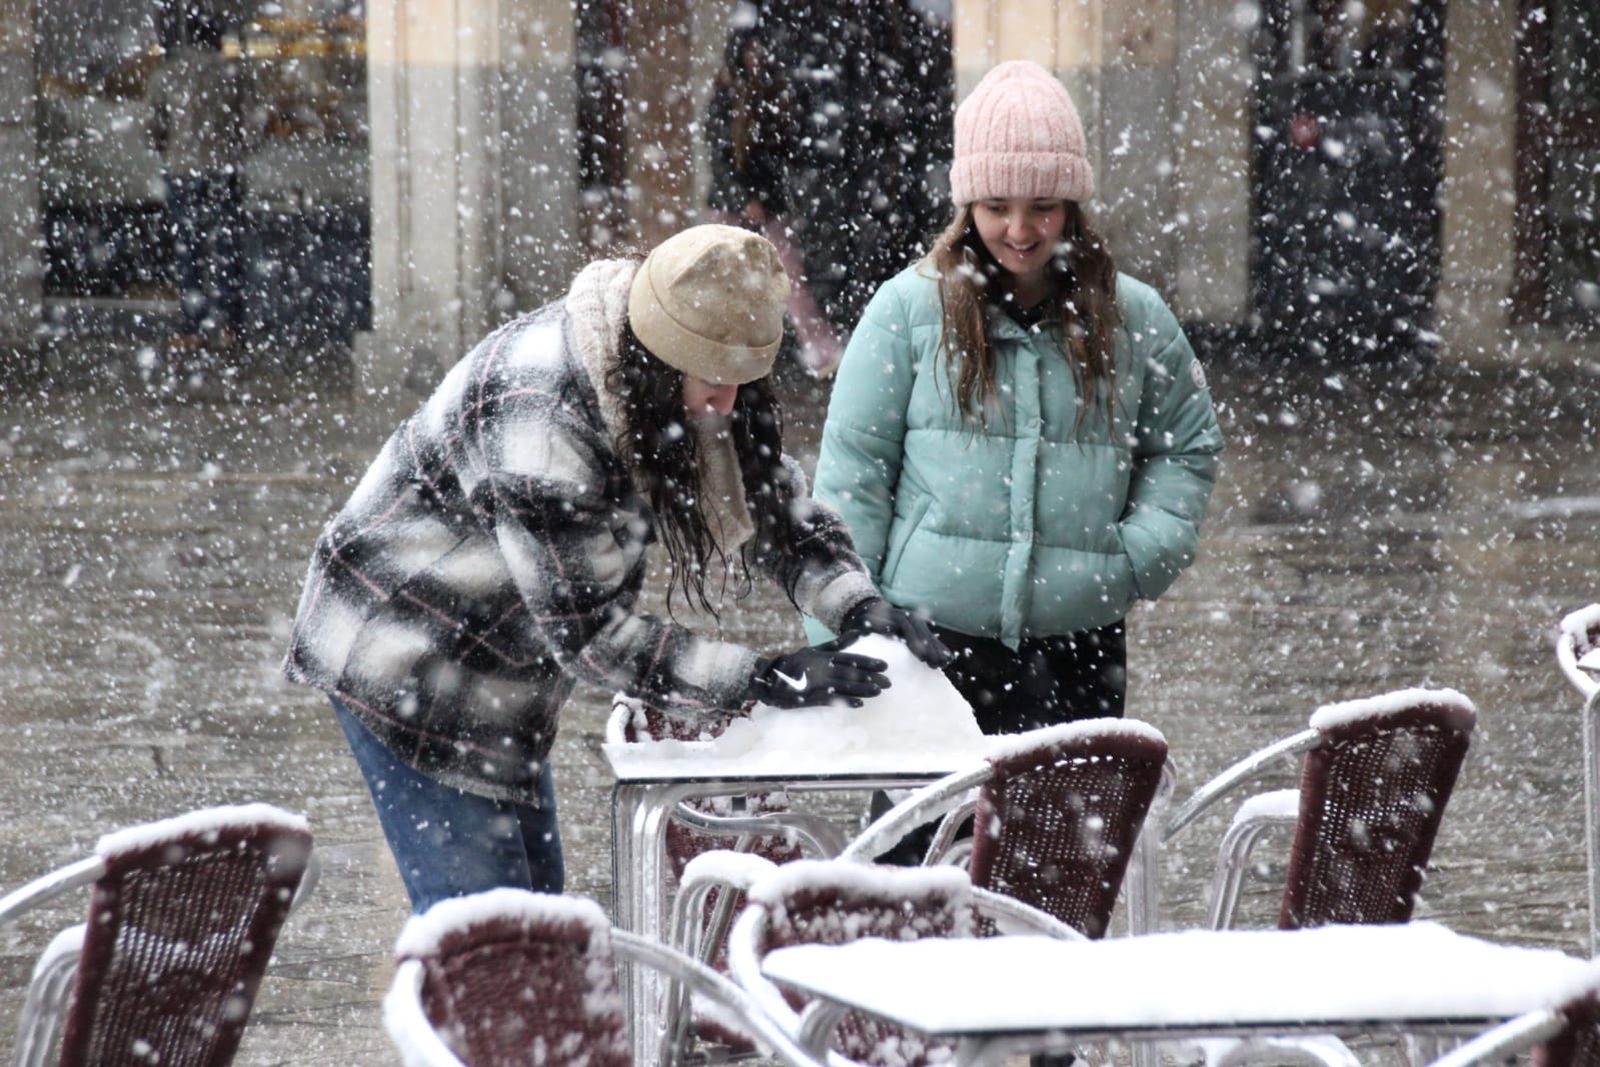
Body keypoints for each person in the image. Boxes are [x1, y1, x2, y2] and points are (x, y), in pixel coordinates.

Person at [284, 224, 952, 912]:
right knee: (490, 926)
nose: (726, 403)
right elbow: (594, 637)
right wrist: (759, 678)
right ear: (661, 361)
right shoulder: (541, 421)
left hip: (506, 661)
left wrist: (854, 602)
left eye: (742, 382)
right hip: (404, 651)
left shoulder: (670, 363)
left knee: (539, 909)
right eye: (713, 381)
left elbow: (768, 505)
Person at [811, 61, 1224, 810]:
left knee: (1065, 857)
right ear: (967, 205)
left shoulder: (1136, 318)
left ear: (1073, 207)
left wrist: (1134, 561)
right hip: (929, 645)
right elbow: (853, 475)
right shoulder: (905, 312)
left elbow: (1186, 448)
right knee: (919, 855)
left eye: (1043, 207)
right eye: (997, 207)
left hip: (1079, 648)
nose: (1021, 230)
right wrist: (841, 624)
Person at [703, 18, 843, 376]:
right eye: (751, 50)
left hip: (768, 202)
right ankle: (717, 351)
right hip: (733, 204)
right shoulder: (726, 96)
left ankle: (818, 348)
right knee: (728, 279)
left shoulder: (773, 92)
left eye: (761, 50)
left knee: (790, 275)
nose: (758, 57)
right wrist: (744, 197)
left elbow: (782, 152)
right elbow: (719, 158)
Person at [145, 9, 246, 348]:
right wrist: (236, 151)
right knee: (226, 247)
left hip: (182, 169)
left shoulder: (169, 74)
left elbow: (152, 126)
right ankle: (230, 325)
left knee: (188, 248)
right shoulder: (232, 74)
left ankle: (192, 326)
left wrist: (167, 149)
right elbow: (252, 121)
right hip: (223, 168)